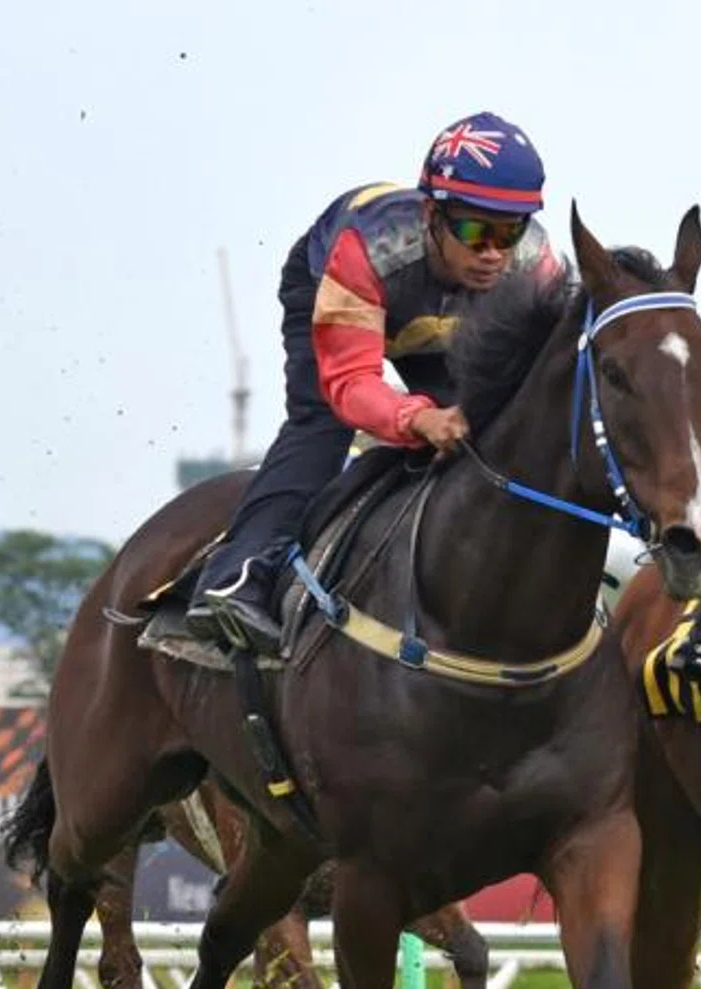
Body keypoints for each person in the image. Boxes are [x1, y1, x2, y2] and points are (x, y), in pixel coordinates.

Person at [185, 111, 557, 654]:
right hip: (337, 287)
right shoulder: (369, 249)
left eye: (511, 230)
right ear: (432, 213)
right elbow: (351, 386)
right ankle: (236, 575)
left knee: (485, 434)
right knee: (322, 423)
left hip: (449, 313)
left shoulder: (536, 268)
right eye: (476, 230)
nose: (493, 253)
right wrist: (416, 416)